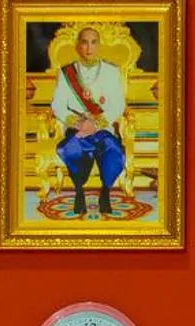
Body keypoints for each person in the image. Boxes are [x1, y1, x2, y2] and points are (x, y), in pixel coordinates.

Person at [49, 25, 128, 218]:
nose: (89, 47)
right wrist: (76, 122)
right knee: (71, 148)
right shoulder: (66, 72)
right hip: (77, 129)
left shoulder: (111, 71)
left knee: (112, 149)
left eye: (93, 42)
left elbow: (118, 104)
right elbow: (57, 104)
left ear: (99, 45)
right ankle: (79, 192)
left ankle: (105, 192)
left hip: (102, 128)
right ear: (78, 46)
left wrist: (97, 123)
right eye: (84, 42)